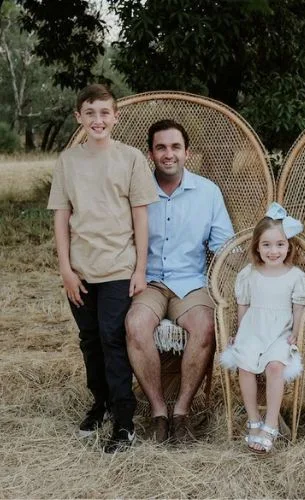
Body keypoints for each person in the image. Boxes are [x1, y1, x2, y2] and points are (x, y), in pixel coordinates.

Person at [47, 84, 158, 453]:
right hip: (80, 269)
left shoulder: (130, 159)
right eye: (90, 112)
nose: (98, 119)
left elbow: (141, 218)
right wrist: (65, 269)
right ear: (79, 117)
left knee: (113, 339)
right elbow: (62, 218)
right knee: (90, 341)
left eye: (104, 112)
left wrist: (139, 269)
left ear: (115, 117)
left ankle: (124, 421)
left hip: (118, 268)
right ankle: (101, 404)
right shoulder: (68, 161)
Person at [125, 119, 234, 444]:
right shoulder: (138, 191)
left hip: (191, 283)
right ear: (151, 153)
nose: (168, 154)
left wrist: (263, 251)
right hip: (150, 282)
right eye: (161, 147)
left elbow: (225, 245)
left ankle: (182, 412)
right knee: (135, 325)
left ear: (187, 152)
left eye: (175, 147)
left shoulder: (208, 192)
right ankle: (159, 412)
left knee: (205, 326)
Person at [220, 203, 305, 454]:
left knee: (275, 365)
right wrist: (239, 332)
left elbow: (299, 308)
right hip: (253, 330)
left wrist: (296, 334)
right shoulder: (249, 274)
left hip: (280, 333)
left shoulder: (295, 276)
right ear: (257, 246)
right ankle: (253, 420)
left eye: (280, 244)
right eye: (266, 245)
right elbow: (243, 306)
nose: (273, 251)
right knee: (245, 364)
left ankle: (270, 423)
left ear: (289, 246)